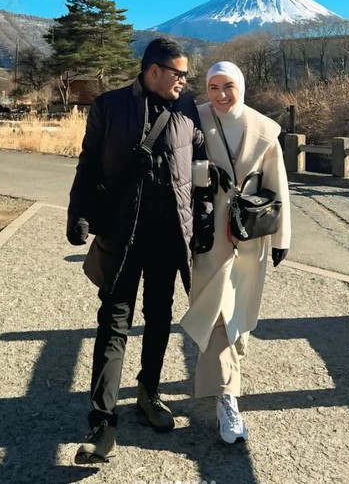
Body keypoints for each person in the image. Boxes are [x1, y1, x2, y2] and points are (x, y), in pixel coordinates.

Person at [67, 37, 209, 465]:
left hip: (169, 236)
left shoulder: (188, 110)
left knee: (160, 315)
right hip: (121, 234)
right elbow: (88, 163)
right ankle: (102, 422)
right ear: (153, 71)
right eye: (177, 74)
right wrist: (79, 213)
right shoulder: (109, 106)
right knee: (113, 321)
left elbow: (201, 174)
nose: (184, 81)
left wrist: (201, 223)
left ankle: (150, 392)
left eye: (186, 74)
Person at [180, 60, 291, 445]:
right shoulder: (193, 119)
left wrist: (282, 239)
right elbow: (181, 169)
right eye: (213, 87)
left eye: (228, 86)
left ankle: (228, 371)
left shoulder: (264, 129)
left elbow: (278, 186)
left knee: (239, 314)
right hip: (209, 235)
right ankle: (228, 397)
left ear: (241, 86)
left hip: (250, 236)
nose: (221, 95)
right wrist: (204, 173)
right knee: (217, 315)